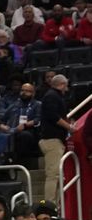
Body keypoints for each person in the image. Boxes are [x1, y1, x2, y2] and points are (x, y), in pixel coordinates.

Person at [39, 74, 76, 202]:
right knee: (53, 175)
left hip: (55, 140)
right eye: (66, 85)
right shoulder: (52, 96)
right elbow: (53, 116)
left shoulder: (54, 96)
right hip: (52, 140)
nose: (67, 88)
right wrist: (69, 127)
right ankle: (49, 205)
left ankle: (56, 204)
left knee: (58, 175)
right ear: (62, 84)